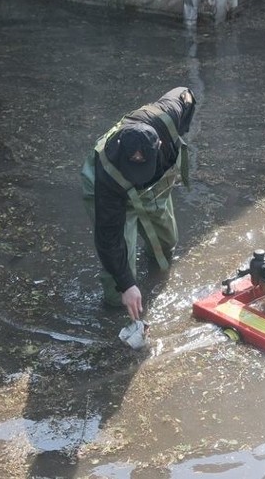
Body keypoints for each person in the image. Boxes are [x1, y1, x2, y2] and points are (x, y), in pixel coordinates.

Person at [81, 87, 197, 321]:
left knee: (167, 243)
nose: (137, 176)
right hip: (112, 195)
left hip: (155, 187)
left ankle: (153, 264)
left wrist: (183, 129)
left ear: (160, 144)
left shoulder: (169, 114)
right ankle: (116, 310)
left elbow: (186, 93)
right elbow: (108, 237)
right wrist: (127, 285)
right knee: (118, 284)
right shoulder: (108, 173)